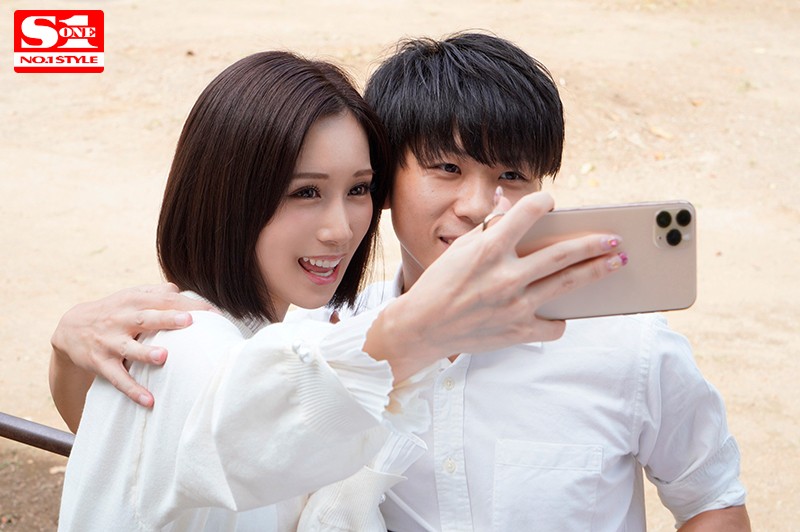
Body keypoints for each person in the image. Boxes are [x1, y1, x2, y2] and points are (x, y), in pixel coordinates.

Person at [50, 34, 749, 530]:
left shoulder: (631, 348)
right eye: (447, 169)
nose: (478, 206)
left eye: (512, 175)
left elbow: (712, 499)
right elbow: (174, 442)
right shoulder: (316, 340)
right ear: (389, 182)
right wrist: (68, 347)